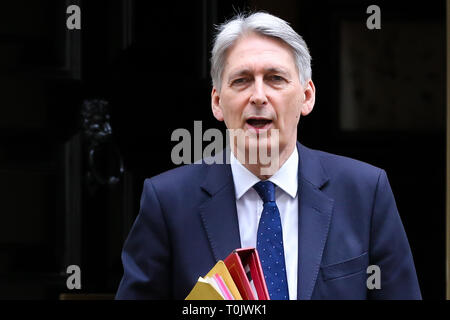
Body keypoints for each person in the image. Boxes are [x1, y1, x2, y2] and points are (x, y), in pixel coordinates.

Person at [115, 11, 421, 300]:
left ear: (307, 96)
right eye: (242, 80)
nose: (258, 96)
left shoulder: (366, 192)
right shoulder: (167, 202)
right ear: (217, 102)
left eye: (275, 78)